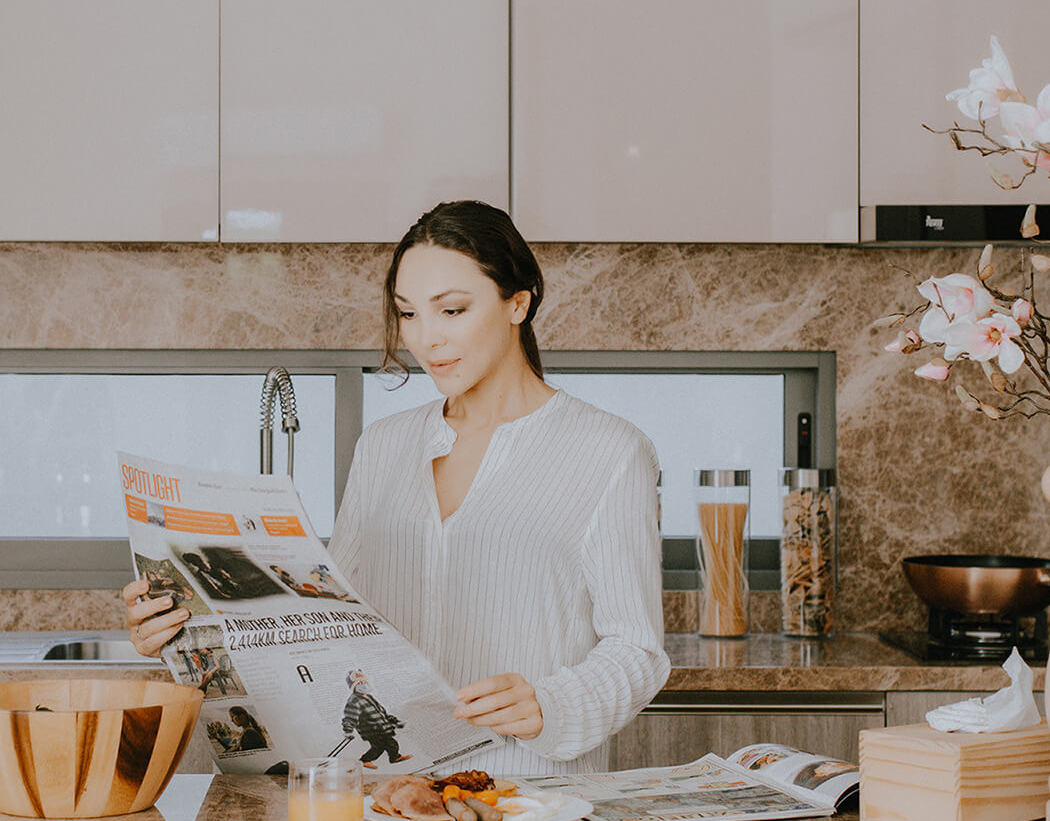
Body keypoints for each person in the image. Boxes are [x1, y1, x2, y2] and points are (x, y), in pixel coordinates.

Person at [123, 200, 670, 774]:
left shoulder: (610, 451)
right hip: (390, 805)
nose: (427, 339)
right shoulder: (383, 446)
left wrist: (551, 704)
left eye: (452, 310)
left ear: (517, 302)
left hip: (531, 801)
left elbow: (637, 649)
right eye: (408, 314)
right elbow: (329, 631)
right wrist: (186, 633)